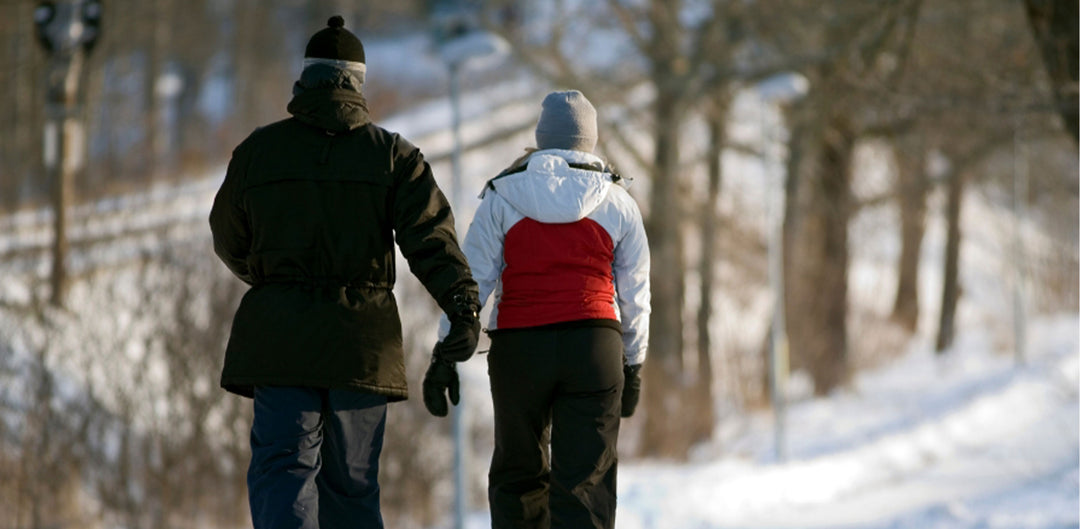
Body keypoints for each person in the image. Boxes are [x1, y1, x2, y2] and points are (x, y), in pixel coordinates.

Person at [209, 16, 481, 529]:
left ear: (305, 78)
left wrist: (274, 282)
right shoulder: (393, 156)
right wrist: (462, 305)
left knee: (282, 474)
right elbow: (430, 240)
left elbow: (228, 238)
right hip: (361, 344)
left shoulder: (257, 153)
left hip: (280, 343)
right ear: (357, 81)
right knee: (351, 489)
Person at [427, 90, 650, 529]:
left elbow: (470, 284)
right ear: (589, 139)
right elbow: (635, 294)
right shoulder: (618, 202)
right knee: (585, 485)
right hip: (593, 347)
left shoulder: (502, 196)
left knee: (518, 478)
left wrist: (444, 353)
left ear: (541, 136)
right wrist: (634, 363)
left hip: (520, 350)